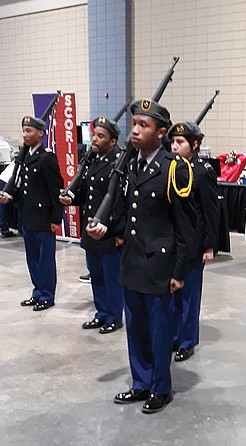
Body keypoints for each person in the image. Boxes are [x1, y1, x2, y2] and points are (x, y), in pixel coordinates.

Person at [90, 99, 194, 413]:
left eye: (143, 125)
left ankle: (160, 388)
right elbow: (125, 214)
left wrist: (178, 272)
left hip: (160, 266)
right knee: (135, 330)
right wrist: (105, 229)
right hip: (132, 261)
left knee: (160, 332)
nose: (135, 130)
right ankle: (140, 383)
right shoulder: (129, 165)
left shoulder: (176, 168)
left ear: (161, 133)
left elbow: (185, 227)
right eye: (134, 124)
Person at [59, 116, 124, 333]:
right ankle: (101, 313)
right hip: (90, 229)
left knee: (111, 279)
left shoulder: (119, 163)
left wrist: (118, 231)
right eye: (94, 135)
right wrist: (72, 199)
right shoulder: (93, 160)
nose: (94, 139)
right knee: (96, 276)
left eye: (100, 136)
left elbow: (121, 202)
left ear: (112, 141)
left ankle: (114, 317)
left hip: (108, 231)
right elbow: (88, 194)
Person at [0, 116, 64, 311]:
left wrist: (56, 218)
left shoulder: (47, 158)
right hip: (28, 216)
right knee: (32, 258)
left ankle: (47, 295)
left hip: (44, 218)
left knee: (45, 260)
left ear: (40, 134)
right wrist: (9, 197)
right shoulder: (24, 157)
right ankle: (37, 292)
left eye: (29, 131)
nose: (25, 135)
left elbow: (56, 190)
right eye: (24, 131)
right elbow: (24, 188)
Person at [169, 121, 219, 361]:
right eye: (173, 142)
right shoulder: (170, 168)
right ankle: (174, 335)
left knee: (189, 295)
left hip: (193, 243)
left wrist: (209, 245)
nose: (174, 146)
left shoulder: (203, 171)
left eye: (180, 142)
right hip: (172, 243)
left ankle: (187, 340)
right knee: (173, 293)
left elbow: (211, 211)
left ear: (195, 144)